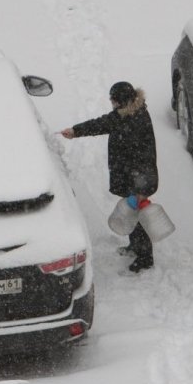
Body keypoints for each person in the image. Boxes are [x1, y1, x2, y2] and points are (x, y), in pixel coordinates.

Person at [61, 81, 158, 273]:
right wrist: (76, 131)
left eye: (114, 101)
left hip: (138, 180)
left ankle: (145, 257)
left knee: (138, 216)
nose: (112, 104)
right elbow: (103, 123)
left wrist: (140, 189)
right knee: (132, 213)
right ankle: (135, 246)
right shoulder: (126, 113)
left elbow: (144, 158)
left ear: (122, 101)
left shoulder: (135, 121)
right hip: (130, 176)